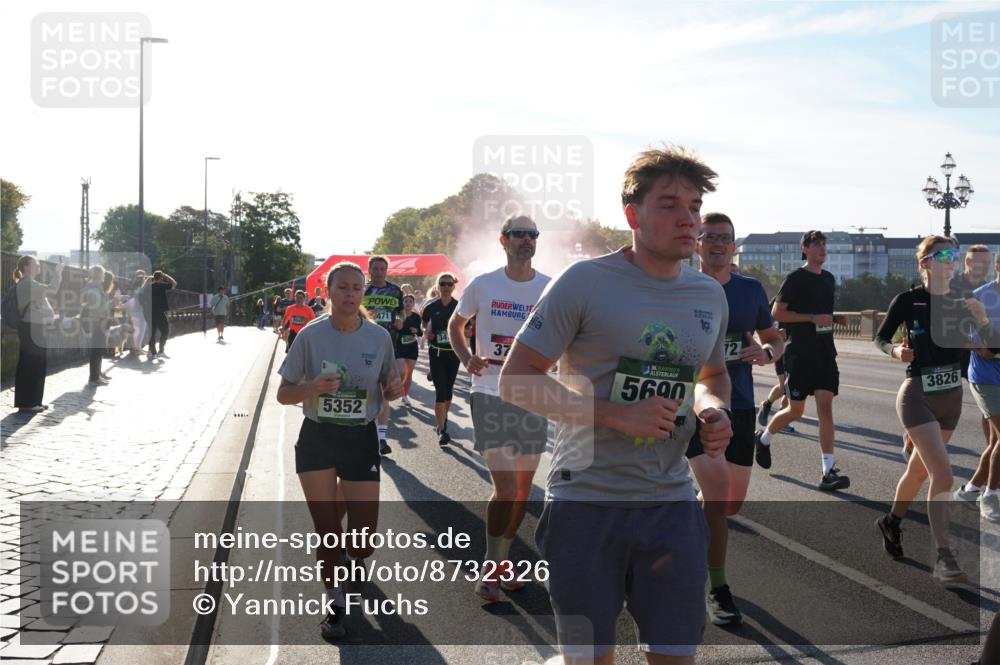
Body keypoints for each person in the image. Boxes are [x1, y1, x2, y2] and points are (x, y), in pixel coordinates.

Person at [500, 146, 733, 664]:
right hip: (586, 503)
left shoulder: (707, 295)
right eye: (670, 204)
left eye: (694, 206)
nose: (689, 218)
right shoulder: (585, 282)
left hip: (671, 505)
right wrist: (614, 415)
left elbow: (711, 375)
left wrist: (715, 409)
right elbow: (516, 381)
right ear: (633, 214)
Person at [276, 261, 403, 640]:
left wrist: (393, 390)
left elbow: (390, 383)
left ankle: (354, 558)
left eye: (356, 288)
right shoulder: (310, 336)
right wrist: (312, 387)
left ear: (363, 294)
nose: (350, 294)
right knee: (327, 529)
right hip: (317, 436)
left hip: (359, 438)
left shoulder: (379, 337)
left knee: (363, 540)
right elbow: (283, 394)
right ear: (328, 293)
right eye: (343, 288)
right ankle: (333, 603)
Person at [874, 235, 1000, 584]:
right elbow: (881, 337)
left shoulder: (964, 300)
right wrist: (894, 352)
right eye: (942, 254)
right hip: (917, 394)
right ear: (924, 263)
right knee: (943, 476)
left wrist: (984, 322)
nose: (949, 260)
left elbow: (991, 349)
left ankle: (891, 522)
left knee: (917, 473)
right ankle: (945, 557)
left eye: (953, 255)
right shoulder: (908, 300)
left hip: (951, 399)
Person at [685, 212, 784, 626]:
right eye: (709, 237)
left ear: (734, 245)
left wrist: (767, 354)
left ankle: (692, 518)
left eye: (725, 238)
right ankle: (717, 587)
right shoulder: (680, 286)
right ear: (697, 244)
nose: (717, 244)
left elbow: (775, 338)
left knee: (730, 504)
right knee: (715, 496)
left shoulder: (749, 290)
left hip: (740, 405)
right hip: (696, 406)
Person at [448, 214, 551, 603]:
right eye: (519, 234)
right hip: (490, 392)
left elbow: (564, 334)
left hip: (532, 395)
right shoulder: (484, 285)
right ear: (503, 240)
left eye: (532, 234)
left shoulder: (549, 288)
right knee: (506, 488)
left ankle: (504, 561)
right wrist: (466, 357)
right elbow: (455, 326)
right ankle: (490, 569)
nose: (526, 239)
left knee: (523, 491)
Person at [755, 230, 850, 491]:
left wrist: (835, 317)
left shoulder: (829, 279)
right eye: (817, 245)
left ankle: (828, 471)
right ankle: (763, 439)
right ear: (805, 249)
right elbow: (778, 312)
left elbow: (822, 313)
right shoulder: (796, 278)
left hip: (825, 353)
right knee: (795, 411)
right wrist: (810, 318)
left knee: (826, 410)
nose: (822, 249)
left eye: (824, 245)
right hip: (800, 354)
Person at [957, 253, 1000, 523]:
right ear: (997, 267)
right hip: (985, 377)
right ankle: (990, 495)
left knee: (996, 441)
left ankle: (970, 489)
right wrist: (978, 346)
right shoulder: (979, 296)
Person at [363, 256, 405, 455]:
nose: (379, 272)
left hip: (389, 345)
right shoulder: (362, 290)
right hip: (365, 345)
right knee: (365, 389)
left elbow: (402, 312)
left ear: (387, 271)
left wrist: (400, 320)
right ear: (369, 270)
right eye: (376, 269)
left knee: (384, 390)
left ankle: (381, 439)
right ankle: (365, 431)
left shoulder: (395, 291)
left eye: (382, 269)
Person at [12, 256, 63, 413]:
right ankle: (28, 402)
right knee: (32, 365)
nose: (39, 265)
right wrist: (58, 273)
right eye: (36, 263)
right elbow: (51, 289)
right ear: (27, 267)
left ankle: (33, 401)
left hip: (35, 328)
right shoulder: (27, 283)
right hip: (31, 328)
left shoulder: (30, 283)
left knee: (37, 364)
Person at [422, 272, 460, 446]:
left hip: (453, 353)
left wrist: (463, 334)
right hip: (436, 352)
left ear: (453, 286)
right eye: (442, 284)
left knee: (449, 391)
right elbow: (424, 324)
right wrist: (427, 332)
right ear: (437, 286)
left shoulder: (459, 307)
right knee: (440, 391)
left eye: (449, 284)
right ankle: (442, 429)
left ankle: (442, 421)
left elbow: (468, 328)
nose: (446, 287)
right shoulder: (430, 306)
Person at [82, 265, 112, 386]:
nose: (104, 276)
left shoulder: (95, 286)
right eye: (103, 274)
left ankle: (96, 375)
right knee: (96, 350)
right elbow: (95, 306)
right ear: (99, 275)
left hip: (100, 321)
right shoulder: (93, 288)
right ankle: (93, 378)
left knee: (99, 350)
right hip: (97, 322)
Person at [393, 294, 422, 407]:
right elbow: (395, 328)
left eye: (410, 301)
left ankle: (405, 395)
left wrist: (416, 330)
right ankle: (396, 389)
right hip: (400, 345)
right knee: (401, 372)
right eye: (406, 301)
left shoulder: (416, 317)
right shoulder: (398, 315)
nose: (408, 303)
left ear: (413, 304)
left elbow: (420, 332)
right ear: (402, 303)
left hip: (411, 346)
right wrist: (399, 325)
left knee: (409, 373)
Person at [148, 270, 176, 359]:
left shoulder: (149, 286)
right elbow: (174, 283)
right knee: (165, 331)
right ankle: (161, 351)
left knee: (152, 333)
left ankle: (152, 353)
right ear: (161, 278)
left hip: (150, 312)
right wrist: (166, 275)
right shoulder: (161, 286)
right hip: (159, 312)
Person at [125, 272, 148, 357]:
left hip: (133, 312)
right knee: (141, 331)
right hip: (140, 312)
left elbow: (130, 299)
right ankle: (138, 349)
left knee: (136, 331)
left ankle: (136, 348)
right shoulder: (142, 289)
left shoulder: (133, 289)